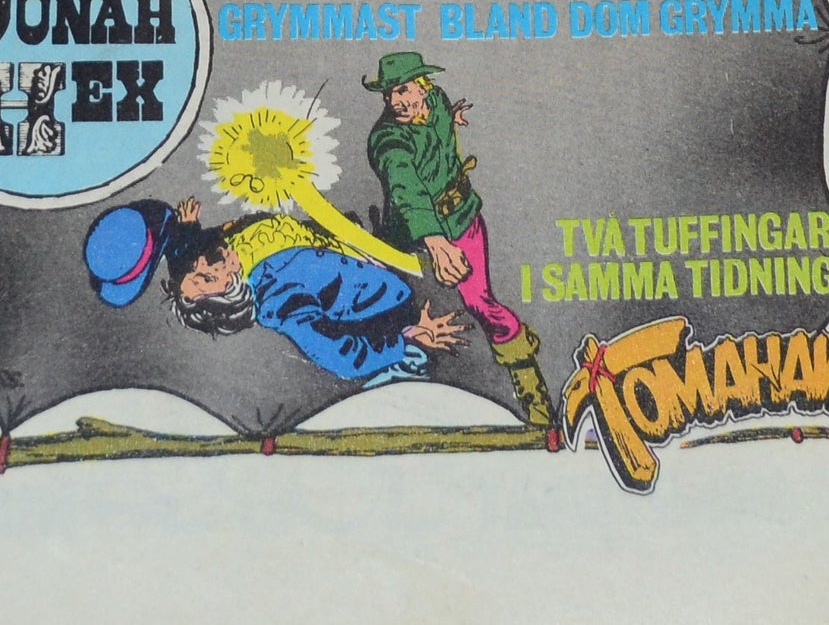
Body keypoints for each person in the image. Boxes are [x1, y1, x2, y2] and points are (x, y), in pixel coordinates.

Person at [82, 198, 464, 386]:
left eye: (198, 265)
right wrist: (406, 339)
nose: (204, 263)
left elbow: (193, 251)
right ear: (226, 296)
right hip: (390, 316)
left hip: (366, 255)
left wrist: (187, 229)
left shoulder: (220, 248)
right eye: (206, 278)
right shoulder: (279, 300)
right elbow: (341, 357)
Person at [363, 52, 553, 425]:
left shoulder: (437, 101)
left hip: (462, 219)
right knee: (384, 302)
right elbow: (407, 187)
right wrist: (435, 242)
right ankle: (394, 387)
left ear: (423, 87)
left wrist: (450, 121)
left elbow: (437, 132)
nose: (395, 101)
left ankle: (529, 382)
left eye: (402, 90)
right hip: (408, 236)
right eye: (388, 94)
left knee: (480, 301)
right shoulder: (387, 139)